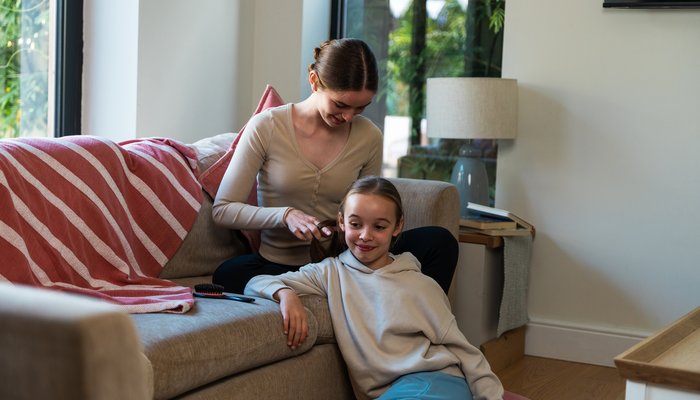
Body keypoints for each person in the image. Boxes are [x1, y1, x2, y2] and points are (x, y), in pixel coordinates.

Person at [212, 38, 458, 295]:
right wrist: (284, 215)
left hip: (347, 259)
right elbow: (223, 210)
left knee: (439, 241)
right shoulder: (267, 126)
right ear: (314, 80)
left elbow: (371, 205)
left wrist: (352, 230)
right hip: (281, 265)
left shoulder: (369, 136)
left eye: (360, 107)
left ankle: (418, 320)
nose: (349, 117)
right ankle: (356, 291)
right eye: (340, 104)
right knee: (227, 274)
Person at [244, 177, 504, 400]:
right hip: (391, 392)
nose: (365, 235)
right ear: (341, 222)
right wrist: (286, 294)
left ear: (397, 227)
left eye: (379, 227)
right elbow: (256, 282)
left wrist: (491, 395)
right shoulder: (330, 272)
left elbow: (462, 349)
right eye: (356, 224)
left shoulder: (420, 285)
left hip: (436, 381)